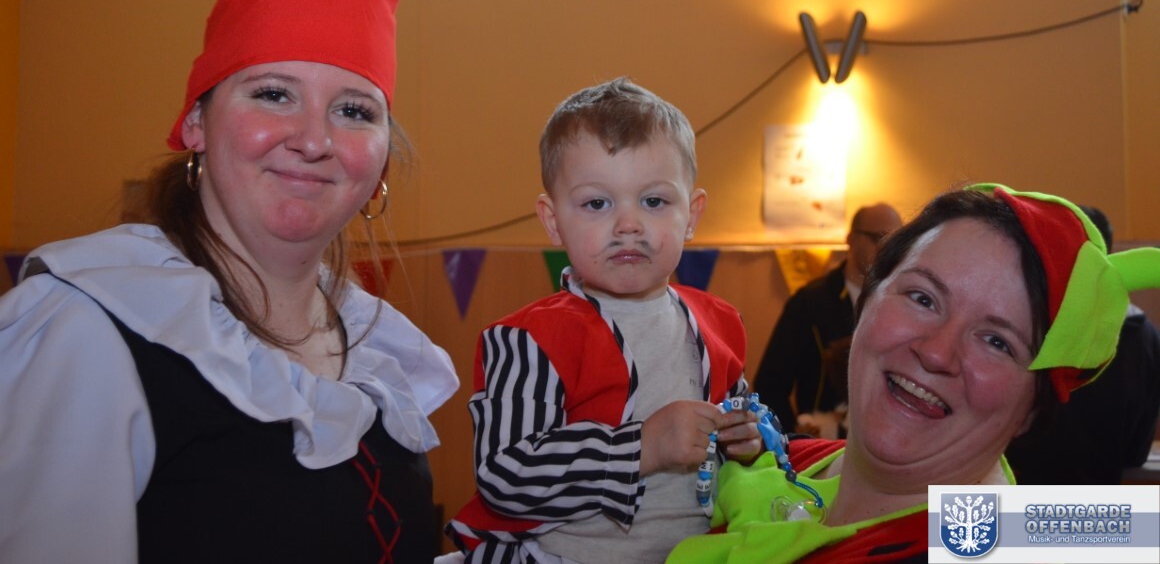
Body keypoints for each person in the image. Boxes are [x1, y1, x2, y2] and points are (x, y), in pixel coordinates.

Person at [0, 0, 459, 563]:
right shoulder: (87, 328)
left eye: (354, 110)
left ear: (380, 160)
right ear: (195, 123)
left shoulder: (378, 347)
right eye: (274, 94)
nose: (315, 140)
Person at [666, 183, 1160, 564]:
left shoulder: (997, 543)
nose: (937, 353)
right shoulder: (781, 458)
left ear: (1032, 409)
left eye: (997, 341)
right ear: (867, 299)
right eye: (923, 298)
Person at [446, 78, 762, 563]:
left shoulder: (721, 324)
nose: (628, 225)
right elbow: (504, 476)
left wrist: (747, 441)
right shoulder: (529, 340)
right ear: (553, 221)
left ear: (692, 214)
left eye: (654, 201)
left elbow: (735, 440)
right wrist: (641, 448)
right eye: (597, 203)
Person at [1004, 205, 1160, 484]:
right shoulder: (1146, 337)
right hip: (1101, 493)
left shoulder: (1031, 322)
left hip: (1021, 485)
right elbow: (1136, 451)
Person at [753, 203, 902, 437]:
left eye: (895, 242)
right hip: (822, 445)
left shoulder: (904, 304)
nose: (886, 250)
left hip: (887, 442)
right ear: (851, 239)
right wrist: (793, 439)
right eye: (878, 238)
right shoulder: (810, 302)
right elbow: (770, 384)